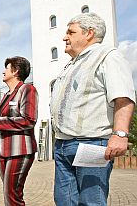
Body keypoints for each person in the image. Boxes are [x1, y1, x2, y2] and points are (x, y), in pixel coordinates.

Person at [50, 12, 135, 206]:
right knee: (64, 201)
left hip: (92, 143)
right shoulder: (72, 64)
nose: (65, 37)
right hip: (63, 145)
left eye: (70, 32)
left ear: (89, 33)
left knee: (91, 202)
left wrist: (120, 134)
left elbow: (123, 96)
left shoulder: (107, 56)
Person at [0, 56, 38, 206]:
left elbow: (29, 120)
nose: (3, 72)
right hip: (5, 151)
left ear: (15, 71)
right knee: (10, 193)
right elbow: (8, 120)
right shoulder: (7, 95)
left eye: (6, 68)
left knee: (12, 195)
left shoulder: (27, 89)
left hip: (20, 150)